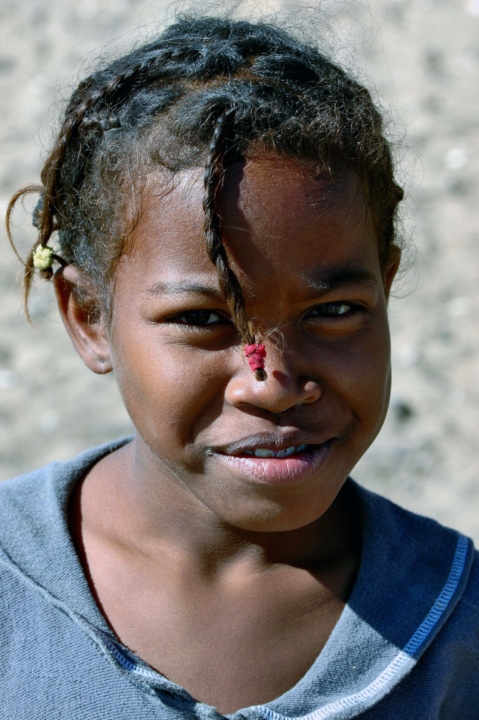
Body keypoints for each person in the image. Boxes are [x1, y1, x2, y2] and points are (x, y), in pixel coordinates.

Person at [2, 15, 478, 720]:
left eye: (334, 311)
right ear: (90, 317)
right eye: (203, 320)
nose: (271, 384)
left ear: (385, 287)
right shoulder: (13, 589)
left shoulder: (457, 624)